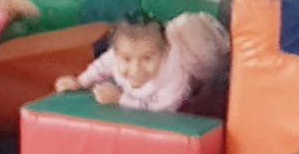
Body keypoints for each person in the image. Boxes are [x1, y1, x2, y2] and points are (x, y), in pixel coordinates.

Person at [54, 12, 229, 113]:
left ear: (164, 52)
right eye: (126, 59)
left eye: (147, 58)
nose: (135, 69)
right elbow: (100, 68)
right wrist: (80, 82)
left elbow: (163, 108)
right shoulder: (118, 53)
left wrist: (121, 99)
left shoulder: (173, 74)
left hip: (193, 79)